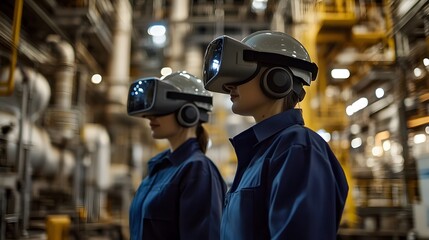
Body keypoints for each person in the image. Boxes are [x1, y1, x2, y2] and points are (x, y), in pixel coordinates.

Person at [202, 30, 349, 239]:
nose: (228, 85)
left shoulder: (298, 148)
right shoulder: (260, 154)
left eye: (241, 73)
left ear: (277, 79)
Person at [126, 71, 227, 240]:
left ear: (188, 112)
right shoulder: (159, 168)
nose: (150, 116)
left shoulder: (197, 170)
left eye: (161, 108)